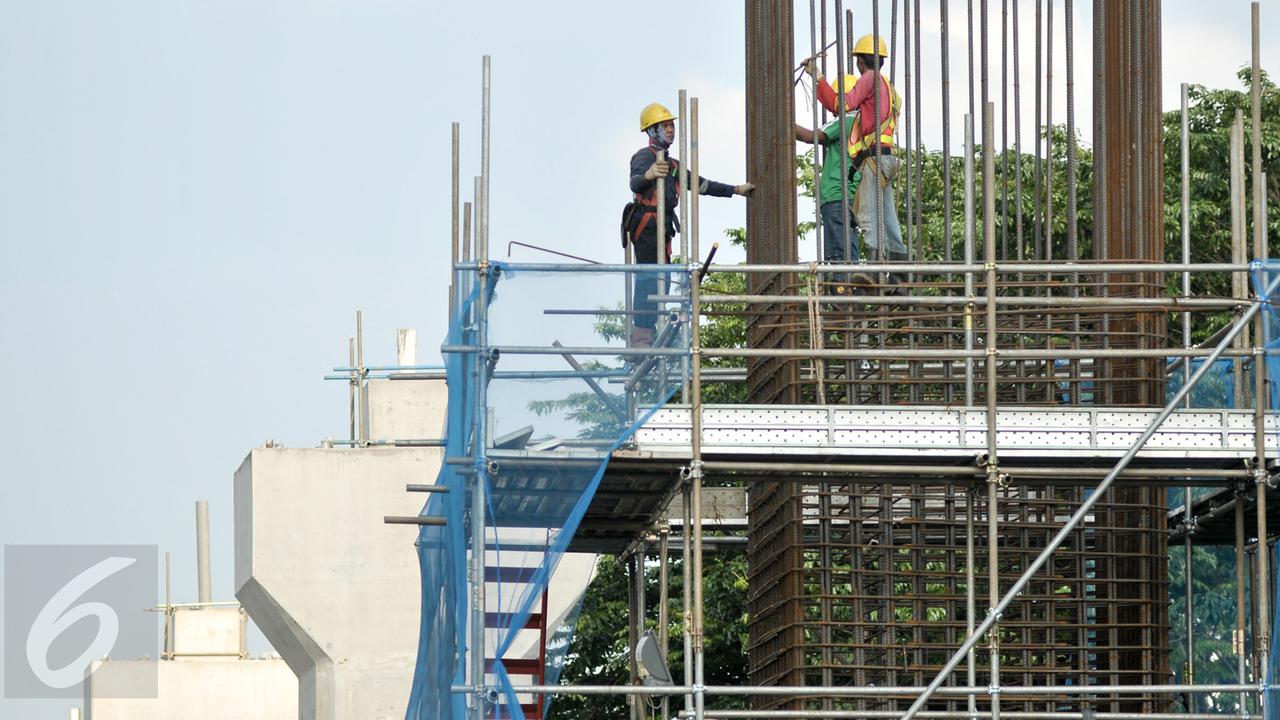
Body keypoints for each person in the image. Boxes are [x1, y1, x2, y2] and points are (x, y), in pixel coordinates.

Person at [627, 102, 754, 348]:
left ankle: (652, 331)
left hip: (662, 227)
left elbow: (700, 184)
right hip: (647, 225)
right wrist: (649, 175)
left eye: (672, 125)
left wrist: (735, 190)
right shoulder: (644, 157)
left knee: (660, 277)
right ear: (652, 131)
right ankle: (642, 335)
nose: (671, 130)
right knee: (648, 278)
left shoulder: (673, 165)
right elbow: (634, 183)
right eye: (665, 126)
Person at [806, 35, 908, 283]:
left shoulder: (869, 79)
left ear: (861, 61)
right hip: (887, 158)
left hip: (875, 159)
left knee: (868, 214)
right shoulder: (889, 87)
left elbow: (841, 104)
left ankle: (872, 272)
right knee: (888, 219)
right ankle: (900, 276)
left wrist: (817, 77)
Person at [795, 73, 864, 290]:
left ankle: (843, 297)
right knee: (848, 246)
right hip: (854, 195)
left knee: (838, 253)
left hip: (836, 193)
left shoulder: (847, 119)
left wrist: (783, 121)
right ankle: (855, 295)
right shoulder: (867, 123)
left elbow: (811, 137)